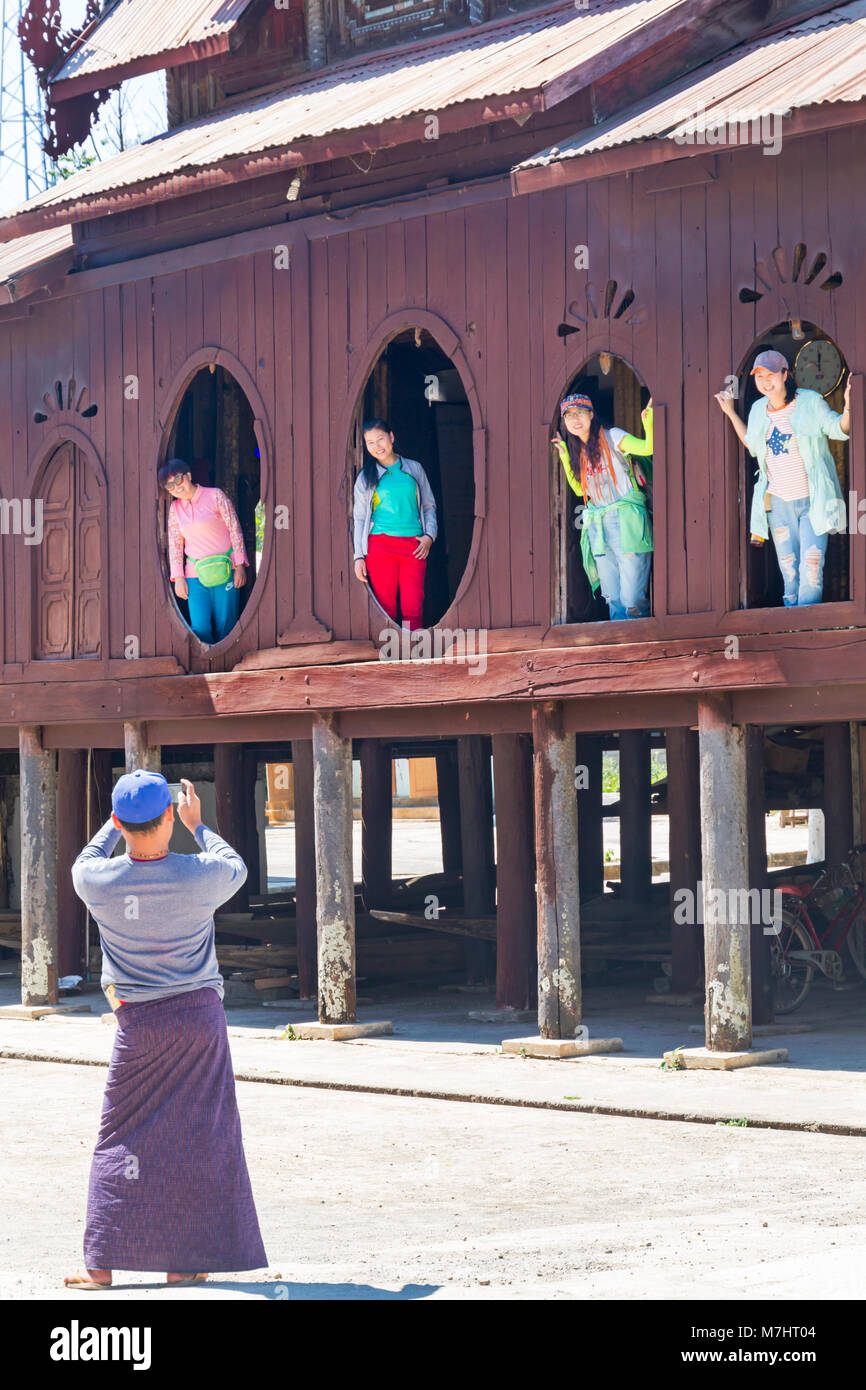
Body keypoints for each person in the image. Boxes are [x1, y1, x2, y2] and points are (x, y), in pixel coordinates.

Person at [64, 771, 267, 1289]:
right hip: (199, 1017)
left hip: (138, 1024)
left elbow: (88, 856)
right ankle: (183, 1262)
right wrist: (199, 827)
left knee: (119, 1137)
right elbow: (236, 865)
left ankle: (100, 1265)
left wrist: (114, 828)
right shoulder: (200, 874)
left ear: (118, 821)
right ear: (170, 816)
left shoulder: (97, 882)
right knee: (201, 1135)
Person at [715, 349, 852, 606]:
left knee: (811, 568)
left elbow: (838, 428)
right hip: (778, 504)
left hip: (813, 501)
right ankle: (792, 626)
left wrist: (848, 406)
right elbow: (753, 446)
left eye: (771, 374)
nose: (765, 381)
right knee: (789, 571)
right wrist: (732, 413)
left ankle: (805, 630)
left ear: (785, 374)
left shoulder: (809, 402)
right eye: (760, 376)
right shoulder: (757, 410)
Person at [552, 392, 654, 620]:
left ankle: (640, 647)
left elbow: (648, 448)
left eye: (579, 412)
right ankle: (621, 648)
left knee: (632, 600)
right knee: (613, 599)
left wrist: (649, 421)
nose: (574, 419)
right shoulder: (579, 451)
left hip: (626, 520)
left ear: (591, 414)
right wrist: (565, 457)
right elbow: (581, 491)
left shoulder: (613, 437)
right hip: (599, 526)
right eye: (568, 416)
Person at [352, 418, 437, 632]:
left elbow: (428, 505)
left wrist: (429, 536)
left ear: (391, 437)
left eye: (380, 439)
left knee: (413, 605)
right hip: (380, 547)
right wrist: (358, 556)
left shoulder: (414, 469)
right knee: (385, 607)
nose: (376, 446)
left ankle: (414, 654)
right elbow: (360, 518)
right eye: (370, 443)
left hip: (414, 546)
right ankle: (390, 656)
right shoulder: (365, 477)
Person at [159, 458, 249, 644]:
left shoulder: (215, 496)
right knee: (200, 627)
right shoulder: (175, 510)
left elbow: (234, 528)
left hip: (226, 569)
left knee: (226, 624)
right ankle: (207, 667)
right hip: (195, 576)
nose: (176, 487)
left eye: (178, 480)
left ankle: (227, 667)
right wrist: (179, 578)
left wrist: (240, 564)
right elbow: (175, 544)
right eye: (170, 486)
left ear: (189, 476)